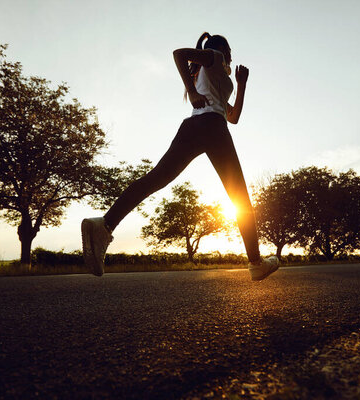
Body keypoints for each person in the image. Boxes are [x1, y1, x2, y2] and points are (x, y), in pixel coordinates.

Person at [82, 32, 279, 281]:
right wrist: (191, 91)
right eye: (231, 53)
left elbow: (234, 117)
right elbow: (179, 54)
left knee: (156, 178)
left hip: (197, 126)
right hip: (212, 128)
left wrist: (242, 85)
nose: (231, 58)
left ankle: (105, 224)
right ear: (225, 51)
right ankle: (256, 263)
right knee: (239, 196)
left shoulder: (213, 78)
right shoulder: (215, 58)